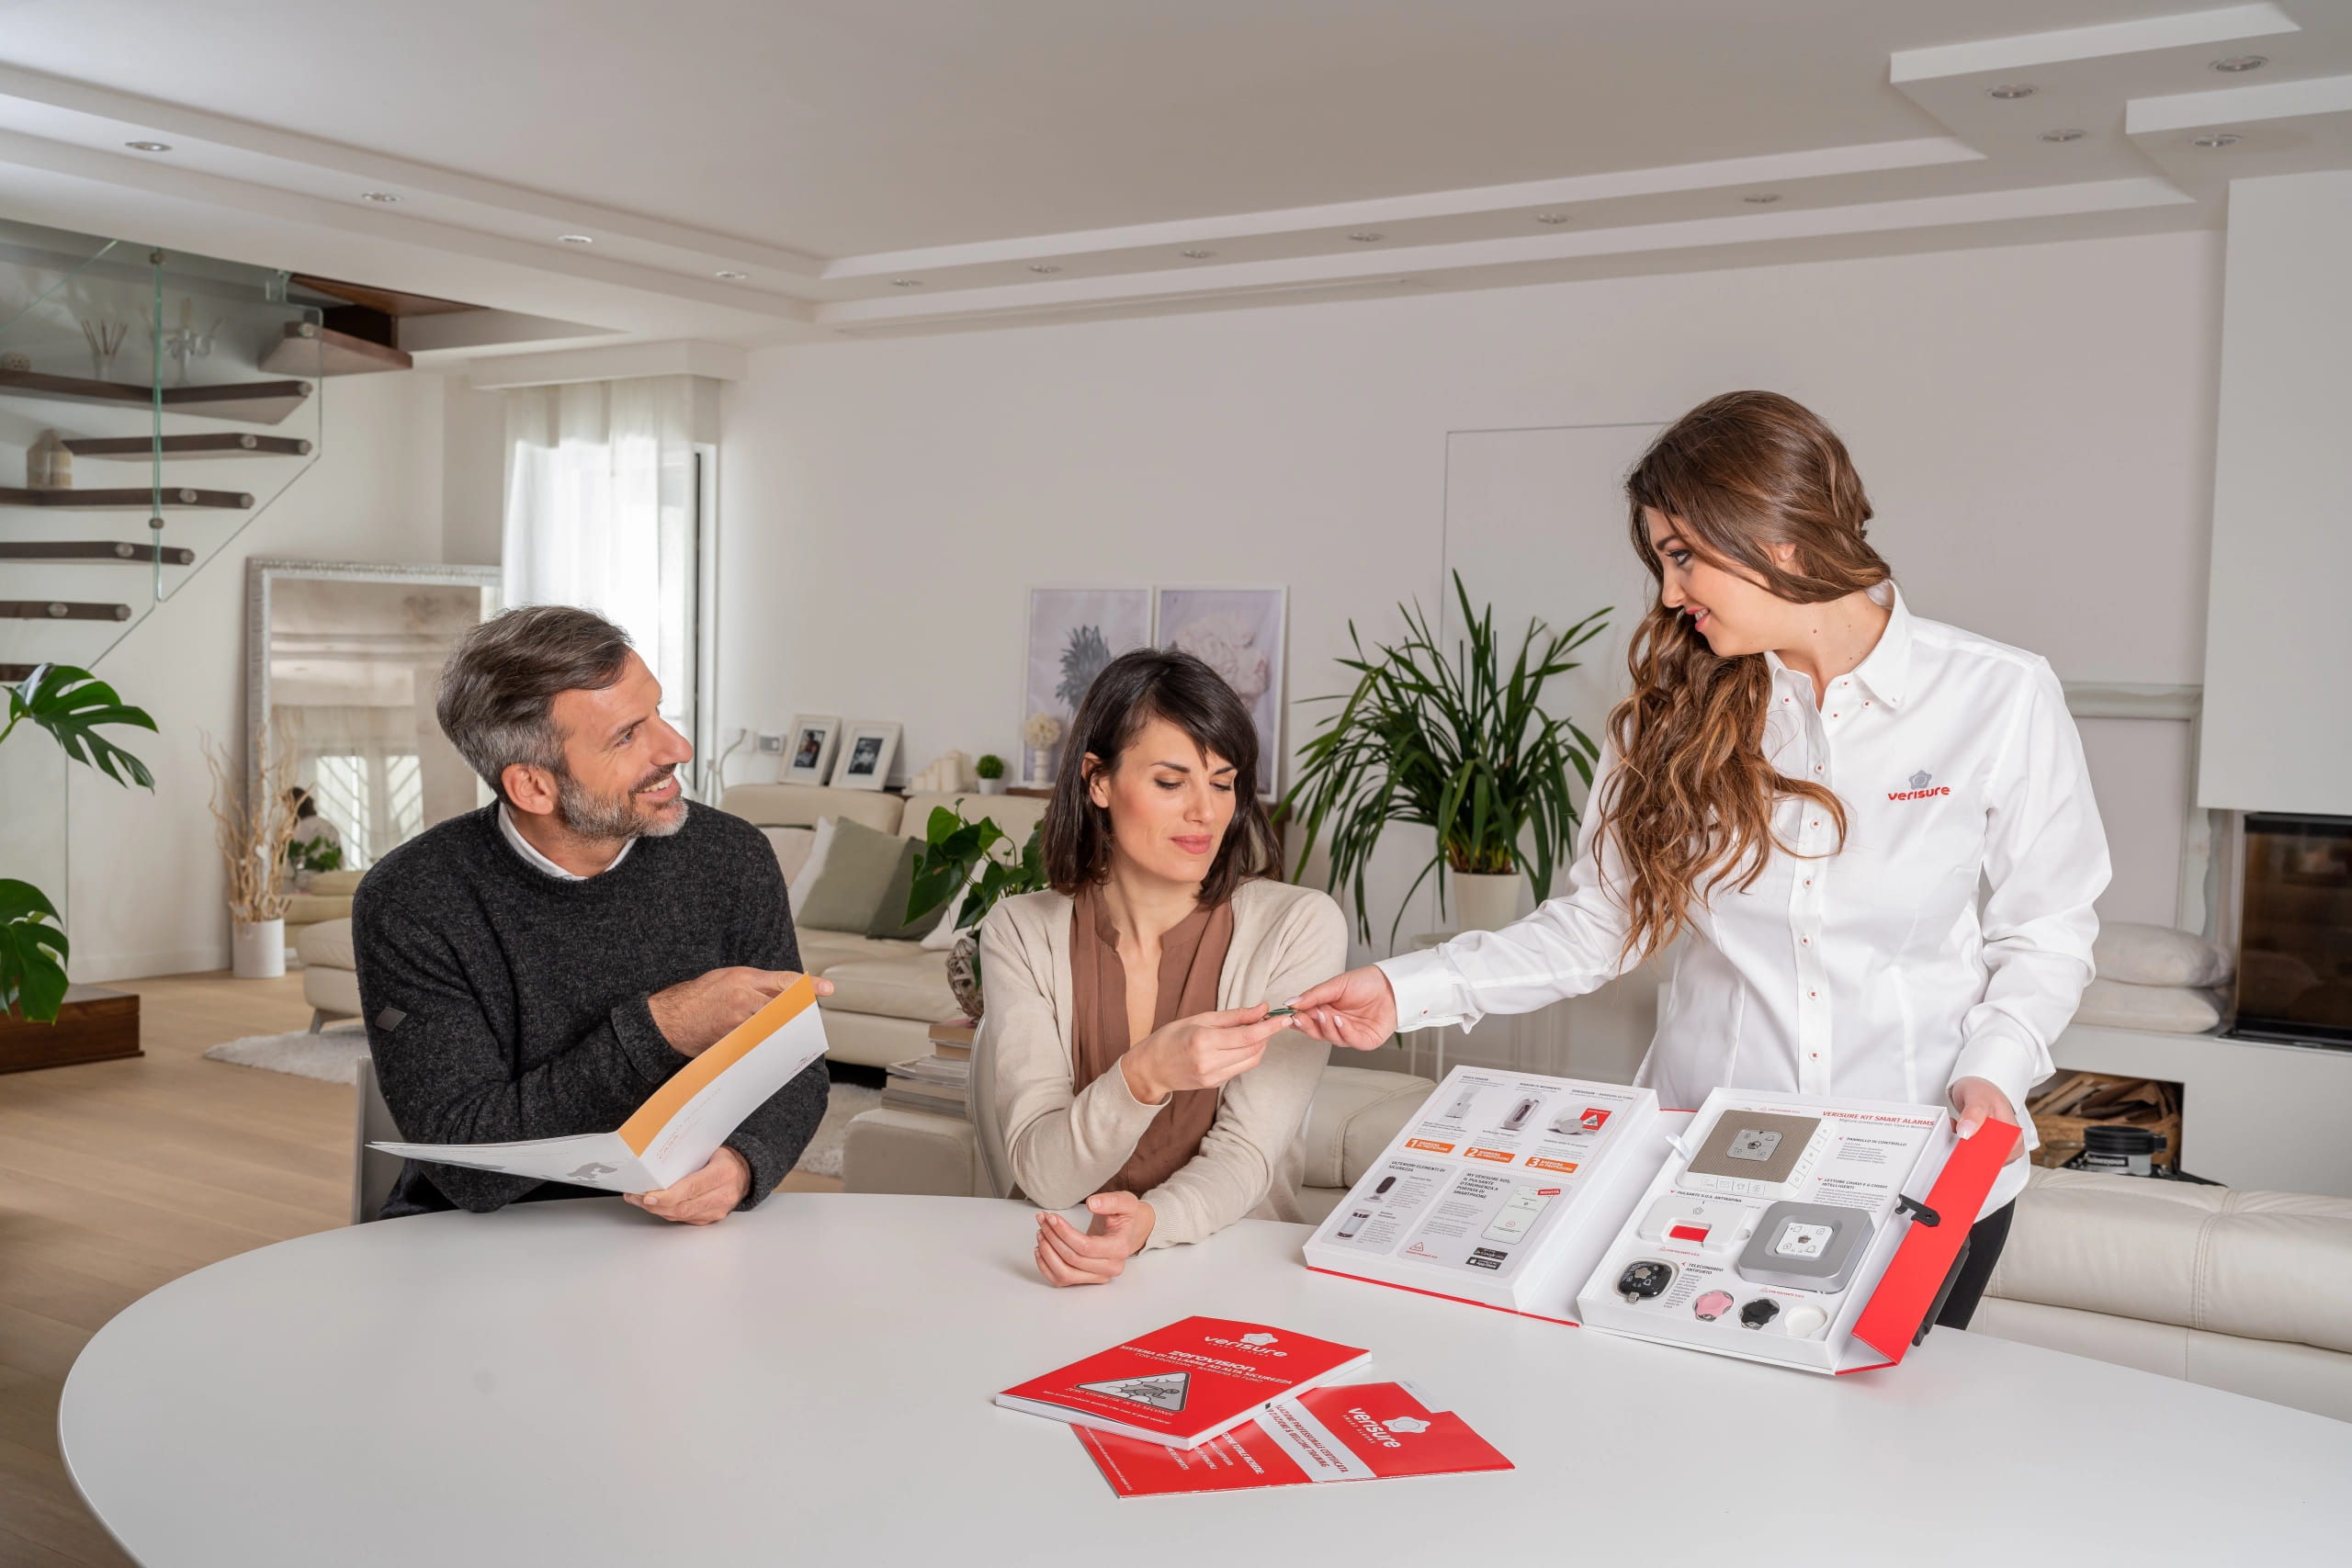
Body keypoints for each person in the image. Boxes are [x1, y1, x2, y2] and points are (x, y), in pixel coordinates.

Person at [1288, 390, 2109, 1327]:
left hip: (1918, 1169)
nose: (1669, 593)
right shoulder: (1665, 714)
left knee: (1877, 1458)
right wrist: (1406, 990)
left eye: (1682, 555)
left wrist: (1994, 1070)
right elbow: (1599, 922)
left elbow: (2046, 927)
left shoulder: (1997, 696)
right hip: (1702, 1169)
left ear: (1777, 536)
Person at [353, 605, 831, 1224]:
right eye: (628, 735)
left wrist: (743, 1161)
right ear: (532, 787)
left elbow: (797, 1065)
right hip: (474, 1247)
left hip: (679, 1238)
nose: (678, 748)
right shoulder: (412, 900)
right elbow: (465, 1167)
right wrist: (664, 1028)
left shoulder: (730, 857)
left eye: (659, 712)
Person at [979, 648, 1346, 1287]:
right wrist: (1144, 1074)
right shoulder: (1021, 930)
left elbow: (1246, 1155)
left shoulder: (1298, 928)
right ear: (1097, 780)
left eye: (1224, 782)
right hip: (1049, 1272)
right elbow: (1042, 1173)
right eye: (1171, 783)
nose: (1205, 811)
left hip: (1229, 1274)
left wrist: (1147, 1223)